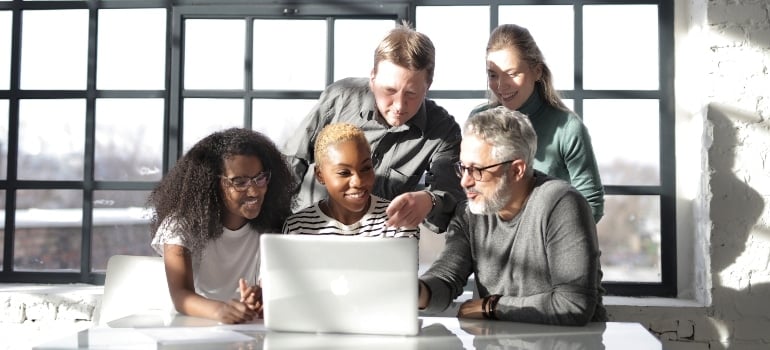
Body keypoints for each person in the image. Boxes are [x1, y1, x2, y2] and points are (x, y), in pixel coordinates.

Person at [418, 106, 606, 325]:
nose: (464, 181)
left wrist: (492, 306)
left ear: (517, 170)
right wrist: (416, 292)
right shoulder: (469, 212)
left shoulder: (560, 202)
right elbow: (446, 278)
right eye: (463, 168)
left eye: (477, 170)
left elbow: (573, 305)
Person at [283, 21, 463, 233]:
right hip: (309, 233)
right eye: (389, 90)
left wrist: (430, 201)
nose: (399, 106)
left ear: (428, 86)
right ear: (373, 78)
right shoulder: (340, 97)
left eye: (411, 94)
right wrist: (280, 224)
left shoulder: (444, 131)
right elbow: (291, 163)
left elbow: (449, 198)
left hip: (378, 245)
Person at [148, 127, 295, 324]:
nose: (254, 191)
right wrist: (220, 311)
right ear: (211, 183)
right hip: (188, 329)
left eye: (260, 178)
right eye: (239, 182)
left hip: (247, 330)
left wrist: (258, 296)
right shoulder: (180, 226)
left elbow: (269, 284)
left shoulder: (274, 224)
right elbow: (181, 295)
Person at [471, 23, 604, 222]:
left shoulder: (567, 128)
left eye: (512, 73)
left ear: (537, 71)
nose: (500, 85)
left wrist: (550, 237)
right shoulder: (478, 120)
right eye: (493, 75)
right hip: (491, 249)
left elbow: (591, 204)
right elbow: (469, 191)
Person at [283, 123, 418, 238]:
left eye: (365, 168)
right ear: (320, 175)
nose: (358, 182)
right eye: (344, 173)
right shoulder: (297, 227)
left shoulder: (400, 221)